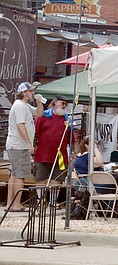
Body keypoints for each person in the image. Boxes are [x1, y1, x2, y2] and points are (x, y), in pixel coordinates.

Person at [5, 82, 44, 211]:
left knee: (14, 174)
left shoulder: (24, 105)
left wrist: (39, 102)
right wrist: (28, 143)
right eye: (31, 91)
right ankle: (16, 204)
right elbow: (20, 125)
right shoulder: (20, 106)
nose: (32, 93)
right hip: (18, 145)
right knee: (20, 175)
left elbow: (39, 114)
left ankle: (10, 203)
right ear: (23, 93)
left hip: (15, 145)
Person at [33, 95, 71, 188]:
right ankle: (41, 200)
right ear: (55, 102)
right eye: (62, 103)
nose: (64, 105)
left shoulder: (67, 120)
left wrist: (73, 153)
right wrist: (32, 146)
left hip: (60, 156)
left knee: (57, 180)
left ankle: (52, 201)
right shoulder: (43, 116)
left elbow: (71, 139)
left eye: (66, 104)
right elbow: (33, 132)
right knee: (41, 179)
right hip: (42, 155)